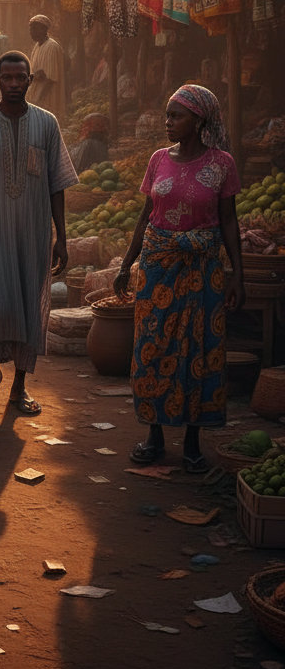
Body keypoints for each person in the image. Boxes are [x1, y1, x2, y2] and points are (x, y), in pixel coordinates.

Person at [113, 85, 243, 473]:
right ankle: (154, 434)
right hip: (158, 266)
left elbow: (229, 221)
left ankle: (191, 441)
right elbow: (145, 215)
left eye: (176, 116)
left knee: (199, 350)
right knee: (153, 345)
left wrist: (238, 274)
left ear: (199, 121)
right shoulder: (157, 160)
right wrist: (125, 264)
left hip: (202, 269)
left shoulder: (222, 164)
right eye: (168, 115)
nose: (167, 122)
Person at [0, 51, 77, 416]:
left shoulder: (47, 125)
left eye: (21, 78)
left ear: (30, 81)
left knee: (29, 312)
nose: (15, 84)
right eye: (8, 78)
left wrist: (61, 237)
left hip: (33, 236)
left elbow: (57, 185)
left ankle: (19, 387)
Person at [26, 15, 66, 122]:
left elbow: (50, 79)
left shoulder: (52, 47)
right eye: (30, 29)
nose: (31, 31)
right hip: (36, 100)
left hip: (47, 100)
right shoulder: (37, 46)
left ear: (43, 29)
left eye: (34, 28)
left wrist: (37, 102)